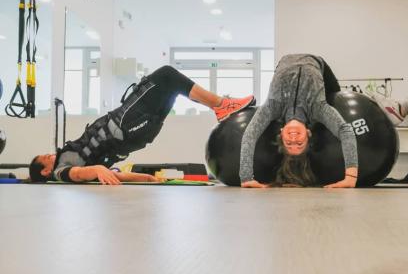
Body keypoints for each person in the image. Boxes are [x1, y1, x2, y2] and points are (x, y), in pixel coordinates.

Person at [29, 65, 254, 185]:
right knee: (166, 74)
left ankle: (221, 105)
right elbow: (78, 174)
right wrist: (96, 169)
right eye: (45, 158)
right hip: (123, 124)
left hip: (138, 135)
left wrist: (146, 179)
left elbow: (114, 176)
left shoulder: (79, 165)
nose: (50, 154)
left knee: (173, 87)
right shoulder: (60, 172)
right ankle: (221, 105)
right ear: (46, 170)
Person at [240, 54, 358, 188]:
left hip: (285, 60)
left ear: (281, 133)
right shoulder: (318, 108)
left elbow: (250, 134)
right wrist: (351, 178)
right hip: (315, 61)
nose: (293, 139)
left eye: (288, 143)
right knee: (336, 95)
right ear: (308, 133)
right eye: (300, 143)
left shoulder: (271, 107)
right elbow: (345, 131)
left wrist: (246, 178)